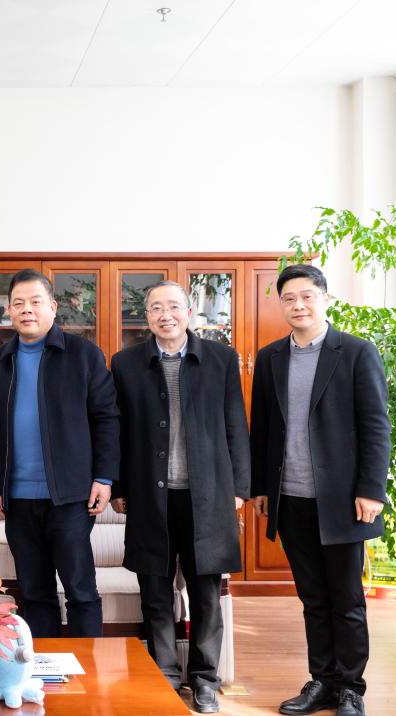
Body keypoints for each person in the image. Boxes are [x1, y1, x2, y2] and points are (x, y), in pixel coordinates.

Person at [250, 264, 389, 716]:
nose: (298, 305)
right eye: (289, 298)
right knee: (312, 598)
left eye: (307, 296)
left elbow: (376, 426)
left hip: (343, 500)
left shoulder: (356, 352)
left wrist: (371, 489)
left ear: (325, 298)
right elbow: (262, 429)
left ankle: (350, 688)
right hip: (290, 499)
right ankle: (322, 681)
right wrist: (261, 486)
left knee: (346, 599)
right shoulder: (271, 357)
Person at [109, 280, 249, 714]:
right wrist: (118, 486)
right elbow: (118, 430)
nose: (165, 315)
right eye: (155, 308)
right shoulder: (125, 363)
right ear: (146, 317)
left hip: (208, 496)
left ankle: (205, 680)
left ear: (189, 313)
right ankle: (165, 675)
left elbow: (235, 424)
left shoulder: (221, 358)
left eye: (173, 306)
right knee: (154, 591)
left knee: (206, 593)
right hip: (151, 496)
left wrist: (239, 488)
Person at [0, 269, 118, 638]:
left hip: (70, 496)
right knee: (34, 593)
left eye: (35, 302)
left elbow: (107, 418)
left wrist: (104, 477)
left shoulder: (83, 355)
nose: (27, 309)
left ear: (53, 307)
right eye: (18, 303)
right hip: (18, 499)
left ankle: (86, 669)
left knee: (80, 590)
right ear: (9, 311)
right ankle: (43, 667)